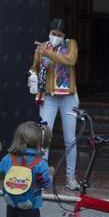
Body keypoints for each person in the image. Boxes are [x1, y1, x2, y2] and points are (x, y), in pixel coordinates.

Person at [29, 18, 80, 191]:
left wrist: (47, 52)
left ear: (65, 35)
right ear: (49, 32)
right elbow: (35, 67)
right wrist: (32, 75)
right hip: (48, 96)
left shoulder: (71, 44)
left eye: (59, 35)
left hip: (68, 97)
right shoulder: (42, 46)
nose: (55, 37)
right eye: (53, 34)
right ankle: (43, 177)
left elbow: (70, 60)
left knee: (70, 139)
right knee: (44, 137)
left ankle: (70, 178)